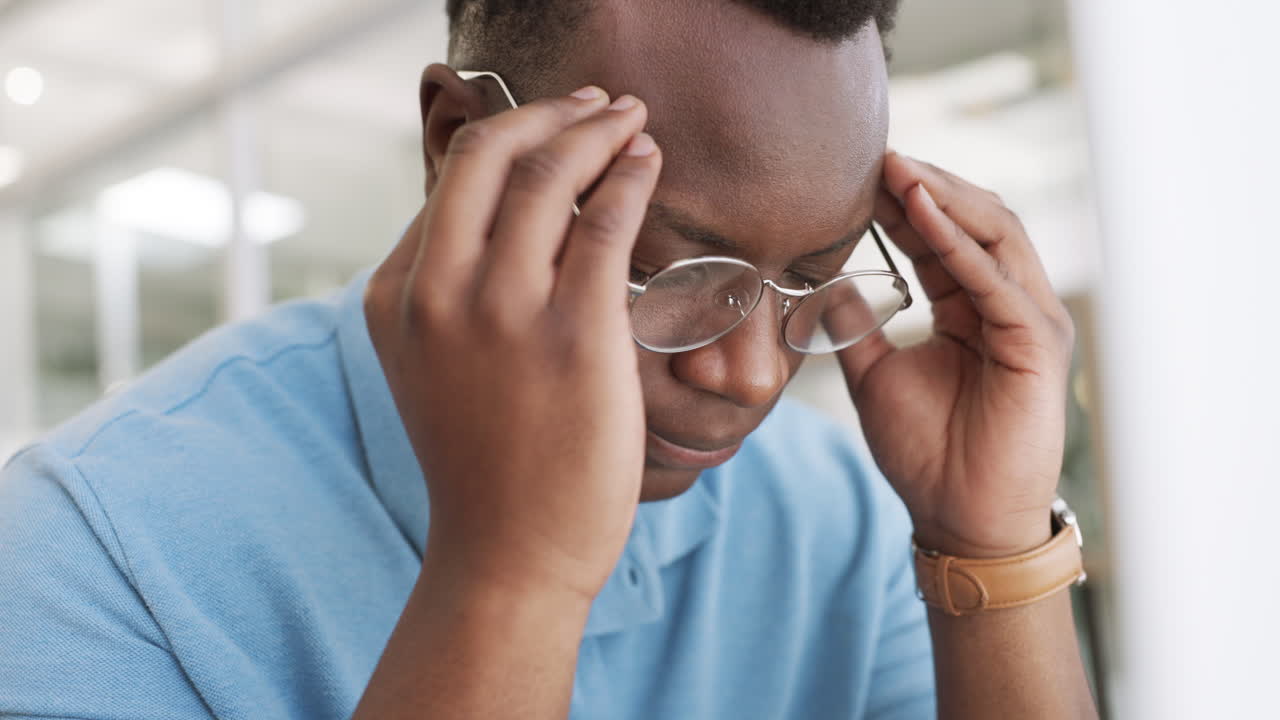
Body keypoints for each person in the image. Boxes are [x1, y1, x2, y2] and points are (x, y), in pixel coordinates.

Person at [0, 1, 1099, 718]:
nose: (752, 376)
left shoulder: (834, 520)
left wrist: (988, 553)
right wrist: (509, 578)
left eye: (813, 278)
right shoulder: (92, 552)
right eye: (670, 268)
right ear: (455, 143)